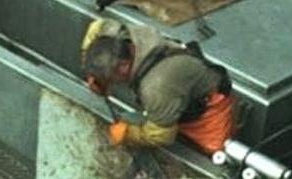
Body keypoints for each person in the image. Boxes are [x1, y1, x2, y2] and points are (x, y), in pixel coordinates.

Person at [80, 17, 234, 153]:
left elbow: (162, 136)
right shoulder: (118, 34)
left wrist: (128, 133)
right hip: (175, 88)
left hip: (208, 109)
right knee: (164, 110)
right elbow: (97, 26)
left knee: (213, 150)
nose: (112, 84)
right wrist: (94, 74)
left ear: (124, 65)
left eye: (111, 79)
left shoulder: (155, 88)